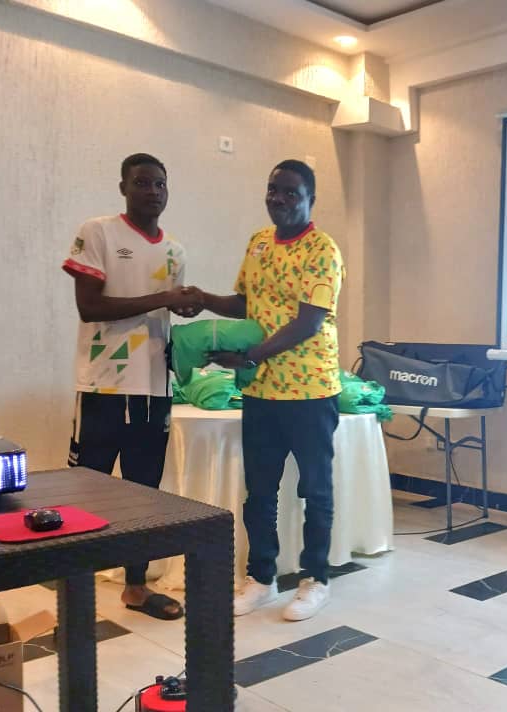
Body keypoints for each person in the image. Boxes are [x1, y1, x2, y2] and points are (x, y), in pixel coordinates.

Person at [200, 159, 344, 621]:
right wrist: (201, 300)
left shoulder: (323, 250)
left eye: (290, 193)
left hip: (310, 390)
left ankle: (315, 580)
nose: (278, 199)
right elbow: (245, 302)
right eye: (273, 189)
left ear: (310, 200)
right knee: (259, 491)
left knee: (315, 490)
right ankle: (261, 579)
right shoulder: (259, 242)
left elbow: (308, 322)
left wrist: (250, 356)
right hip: (261, 390)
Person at [63, 153, 203, 621]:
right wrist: (164, 297)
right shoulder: (98, 232)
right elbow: (89, 307)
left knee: (144, 494)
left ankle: (136, 588)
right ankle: (74, 593)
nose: (153, 191)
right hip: (102, 386)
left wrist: (186, 311)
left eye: (160, 184)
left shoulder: (176, 251)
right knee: (89, 491)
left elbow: (161, 313)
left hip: (153, 391)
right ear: (123, 187)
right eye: (142, 182)